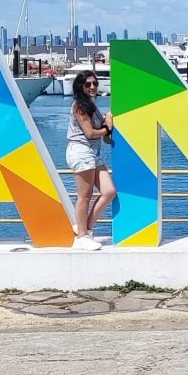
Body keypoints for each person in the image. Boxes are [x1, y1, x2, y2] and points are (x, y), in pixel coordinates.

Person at [66, 71, 116, 250]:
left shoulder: (92, 105)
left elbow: (103, 130)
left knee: (109, 191)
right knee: (84, 196)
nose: (93, 87)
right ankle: (81, 237)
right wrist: (107, 128)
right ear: (80, 86)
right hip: (81, 151)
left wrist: (108, 122)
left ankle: (84, 228)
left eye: (95, 83)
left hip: (93, 153)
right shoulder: (79, 106)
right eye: (88, 84)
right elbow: (90, 132)